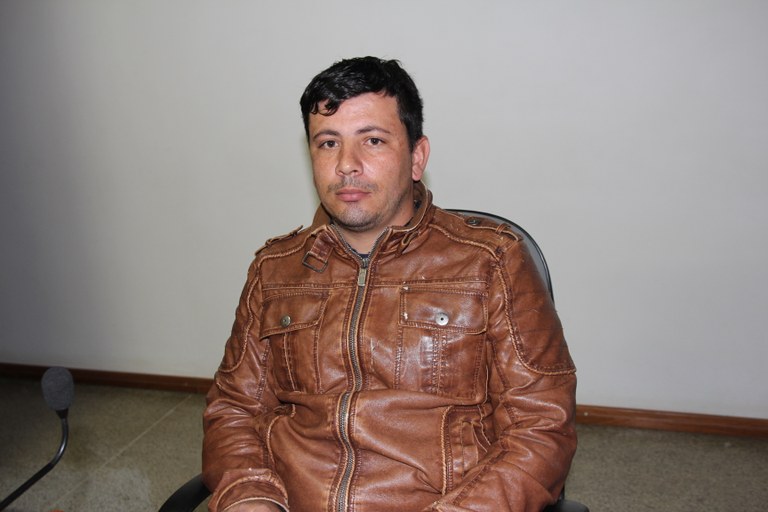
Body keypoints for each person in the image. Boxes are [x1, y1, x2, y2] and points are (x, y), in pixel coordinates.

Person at [202, 56, 577, 512]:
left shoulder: (490, 261)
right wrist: (249, 497)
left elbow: (541, 428)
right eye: (328, 143)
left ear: (417, 157)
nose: (347, 165)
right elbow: (234, 410)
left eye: (373, 140)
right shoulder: (275, 269)